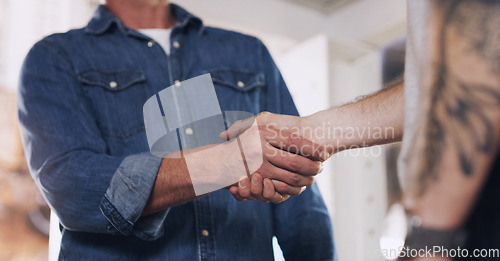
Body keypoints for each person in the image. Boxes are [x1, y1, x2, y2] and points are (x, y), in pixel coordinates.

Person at [18, 0, 336, 260]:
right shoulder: (55, 58)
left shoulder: (249, 52)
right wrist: (229, 161)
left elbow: (300, 201)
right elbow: (72, 187)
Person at [228, 0, 500, 260]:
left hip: (471, 215)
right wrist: (310, 132)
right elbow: (437, 92)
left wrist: (432, 236)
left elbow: (481, 51)